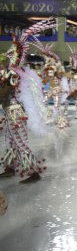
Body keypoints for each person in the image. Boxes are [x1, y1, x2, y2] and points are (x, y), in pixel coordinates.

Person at [0, 19, 55, 183]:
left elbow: (4, 92)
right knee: (10, 141)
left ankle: (33, 172)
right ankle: (10, 167)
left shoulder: (14, 74)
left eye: (9, 56)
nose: (4, 59)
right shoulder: (11, 73)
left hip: (16, 113)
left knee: (20, 142)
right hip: (10, 112)